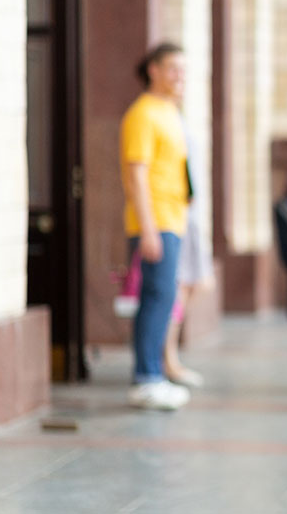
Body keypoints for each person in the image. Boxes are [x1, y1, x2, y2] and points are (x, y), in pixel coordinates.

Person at [120, 42, 192, 410]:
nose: (180, 75)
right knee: (156, 299)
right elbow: (137, 173)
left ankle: (153, 375)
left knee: (163, 299)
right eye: (172, 68)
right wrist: (147, 228)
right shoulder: (143, 114)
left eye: (183, 68)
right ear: (154, 70)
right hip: (155, 222)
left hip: (172, 220)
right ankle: (147, 378)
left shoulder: (169, 111)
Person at [163, 126, 212, 388]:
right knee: (177, 288)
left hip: (190, 218)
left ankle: (169, 355)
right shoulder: (162, 119)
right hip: (177, 218)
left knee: (194, 285)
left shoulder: (176, 119)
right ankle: (168, 357)